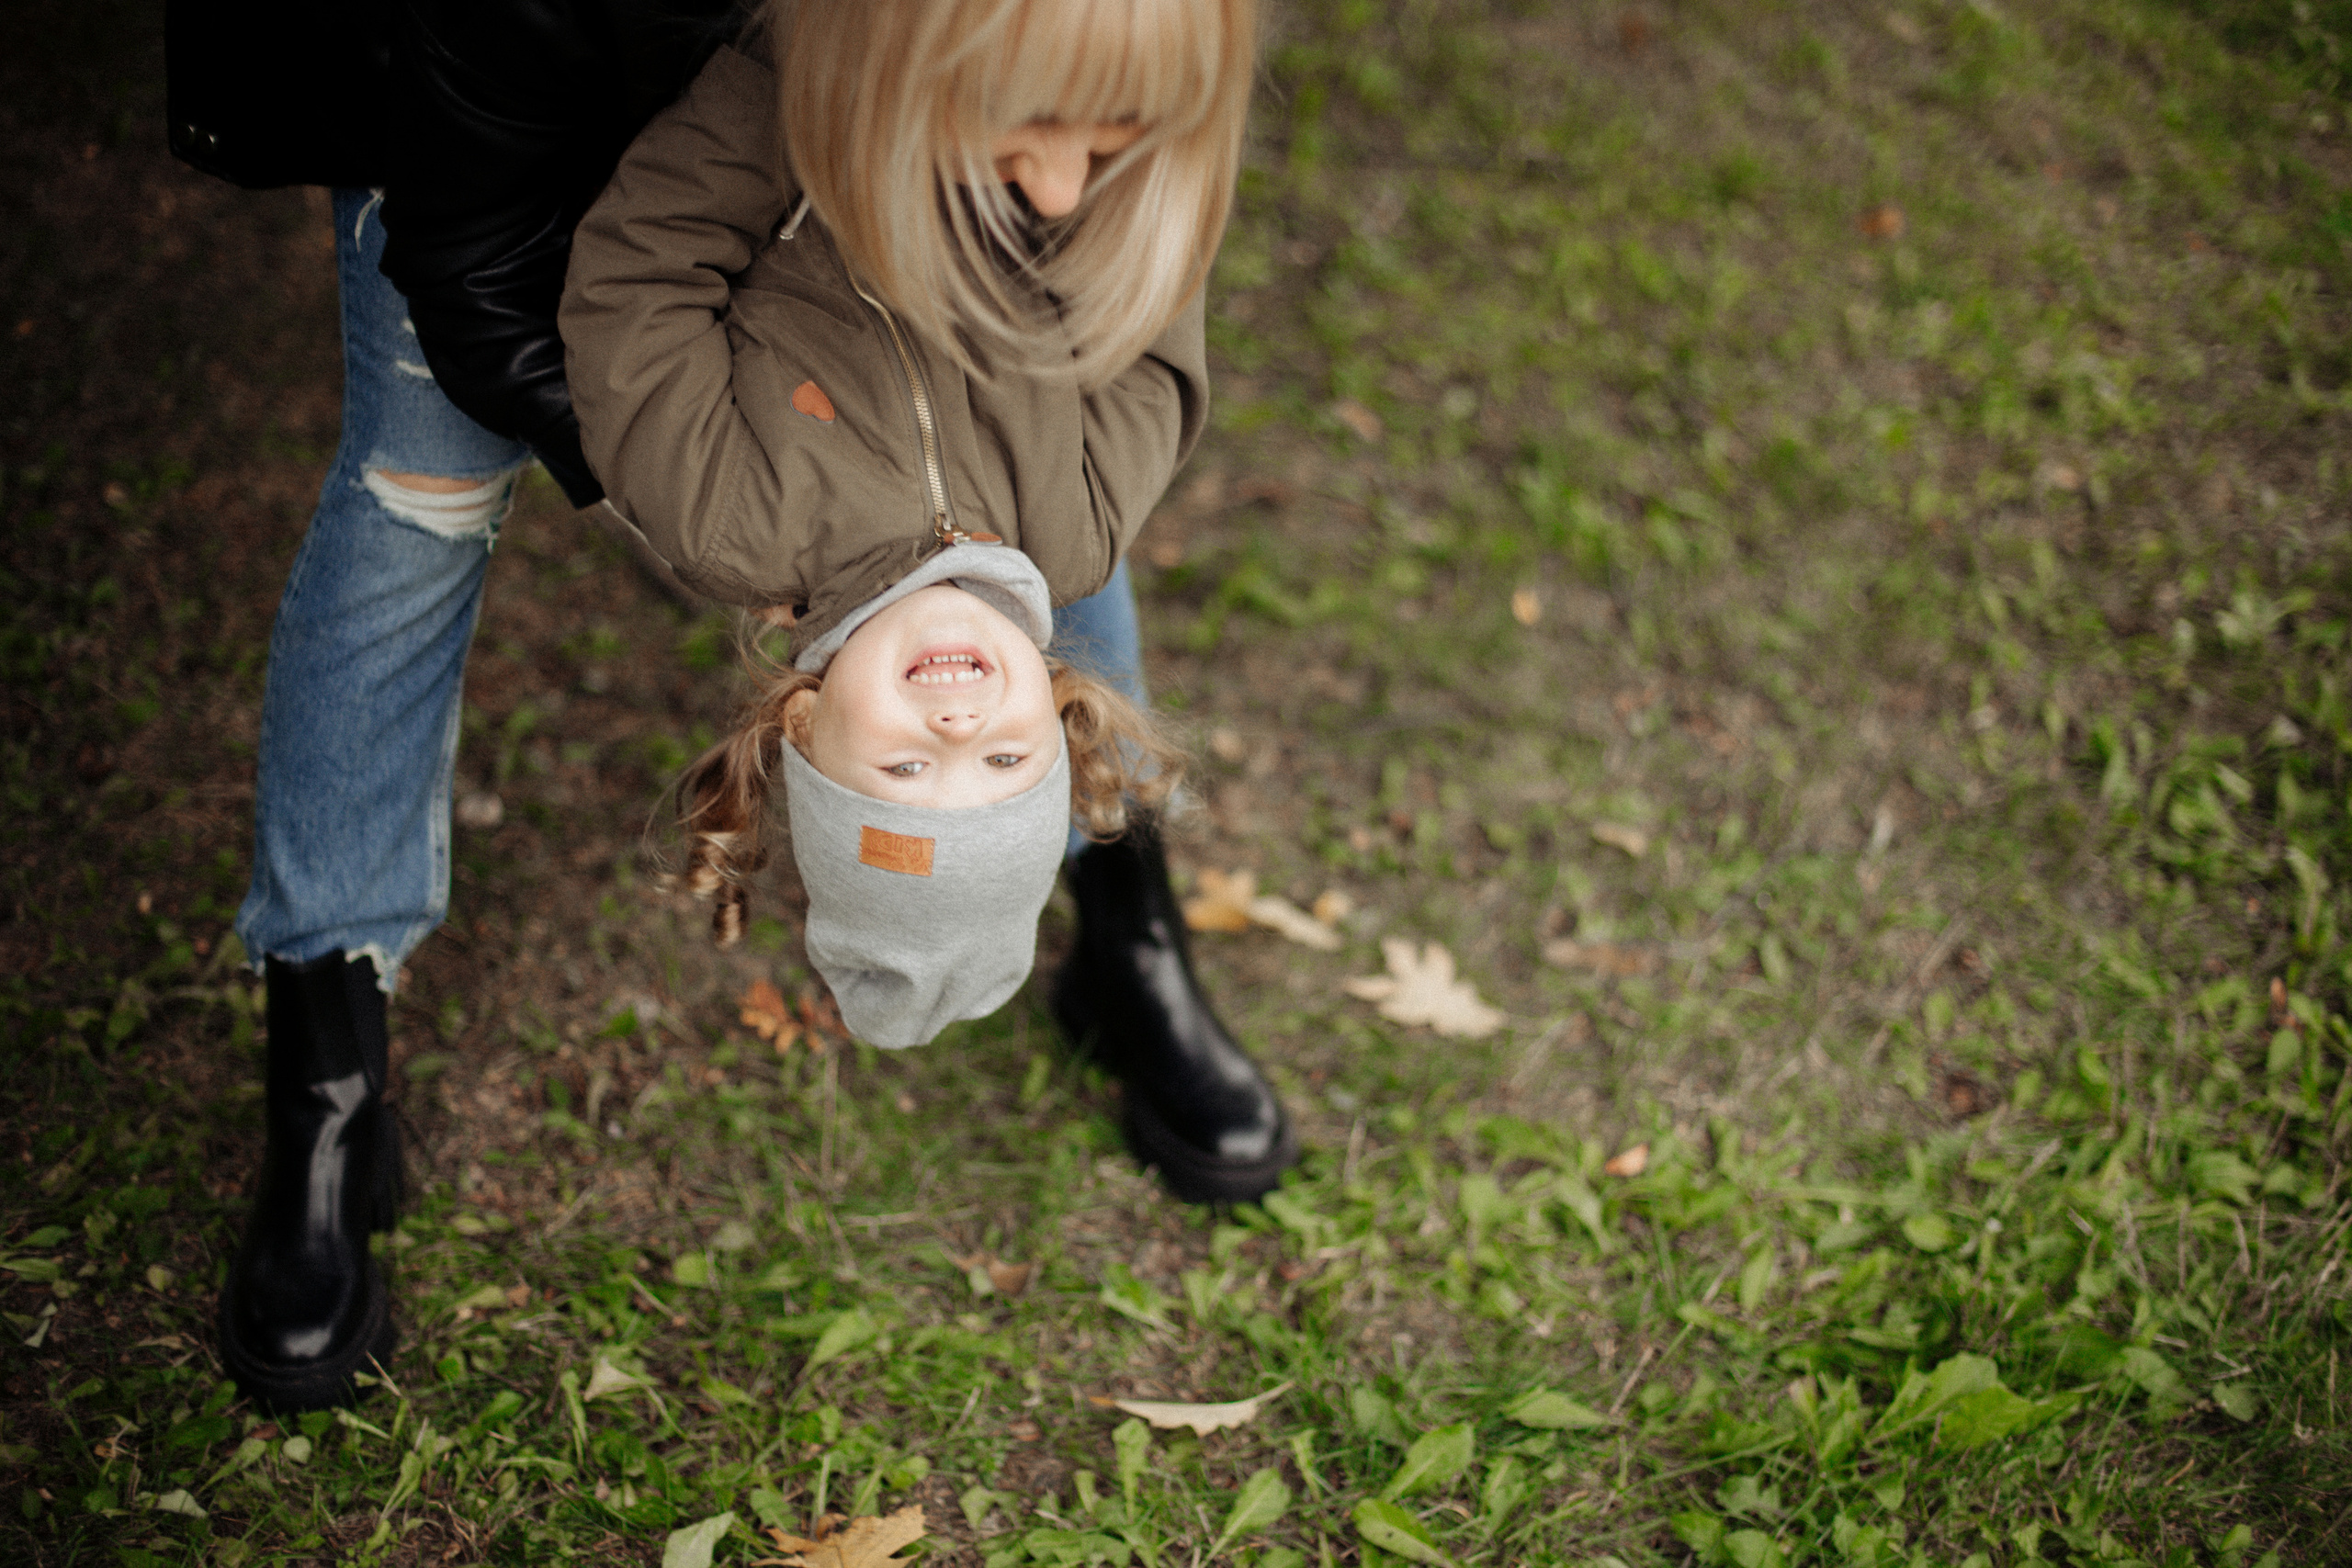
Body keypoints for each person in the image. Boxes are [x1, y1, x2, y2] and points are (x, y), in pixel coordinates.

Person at [166, 0, 1295, 1416]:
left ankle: (1123, 938)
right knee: (427, 488)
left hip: (762, 165)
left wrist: (822, 118)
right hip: (541, 120)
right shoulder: (1067, 518)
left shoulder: (737, 515)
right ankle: (324, 1072)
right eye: (1009, 755)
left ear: (800, 716)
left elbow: (637, 287)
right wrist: (1081, 245)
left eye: (906, 765)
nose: (959, 733)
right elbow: (1143, 372)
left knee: (431, 494)